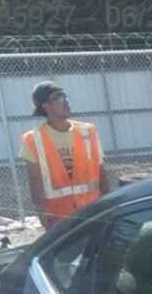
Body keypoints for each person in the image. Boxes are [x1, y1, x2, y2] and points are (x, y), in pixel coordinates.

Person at [20, 81, 114, 229]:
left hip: (92, 213)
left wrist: (109, 205)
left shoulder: (88, 132)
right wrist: (43, 216)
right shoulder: (32, 139)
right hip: (59, 219)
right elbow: (35, 181)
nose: (66, 100)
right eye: (58, 97)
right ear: (46, 106)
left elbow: (101, 172)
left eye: (65, 95)